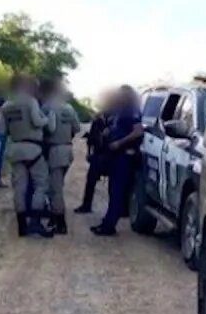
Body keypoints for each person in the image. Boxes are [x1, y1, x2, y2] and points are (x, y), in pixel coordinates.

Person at [0, 74, 54, 238]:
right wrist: (46, 119)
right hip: (33, 149)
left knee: (19, 188)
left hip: (15, 149)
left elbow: (2, 131)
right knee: (41, 185)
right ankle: (35, 223)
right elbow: (37, 122)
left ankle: (22, 226)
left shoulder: (6, 106)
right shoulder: (31, 101)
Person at [91, 86, 144, 236]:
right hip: (115, 155)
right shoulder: (120, 110)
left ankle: (109, 226)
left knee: (117, 191)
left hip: (124, 155)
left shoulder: (131, 110)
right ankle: (108, 222)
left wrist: (120, 142)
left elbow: (138, 131)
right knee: (113, 190)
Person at [42, 78, 82, 234]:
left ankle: (60, 222)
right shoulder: (69, 108)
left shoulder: (47, 107)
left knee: (55, 188)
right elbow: (77, 128)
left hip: (54, 150)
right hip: (67, 149)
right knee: (57, 185)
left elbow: (40, 127)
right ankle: (54, 217)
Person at [74, 90, 115, 214]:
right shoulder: (99, 120)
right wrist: (89, 152)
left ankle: (113, 209)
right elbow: (91, 138)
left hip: (110, 154)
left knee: (111, 185)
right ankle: (86, 206)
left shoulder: (114, 119)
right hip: (99, 154)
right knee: (91, 181)